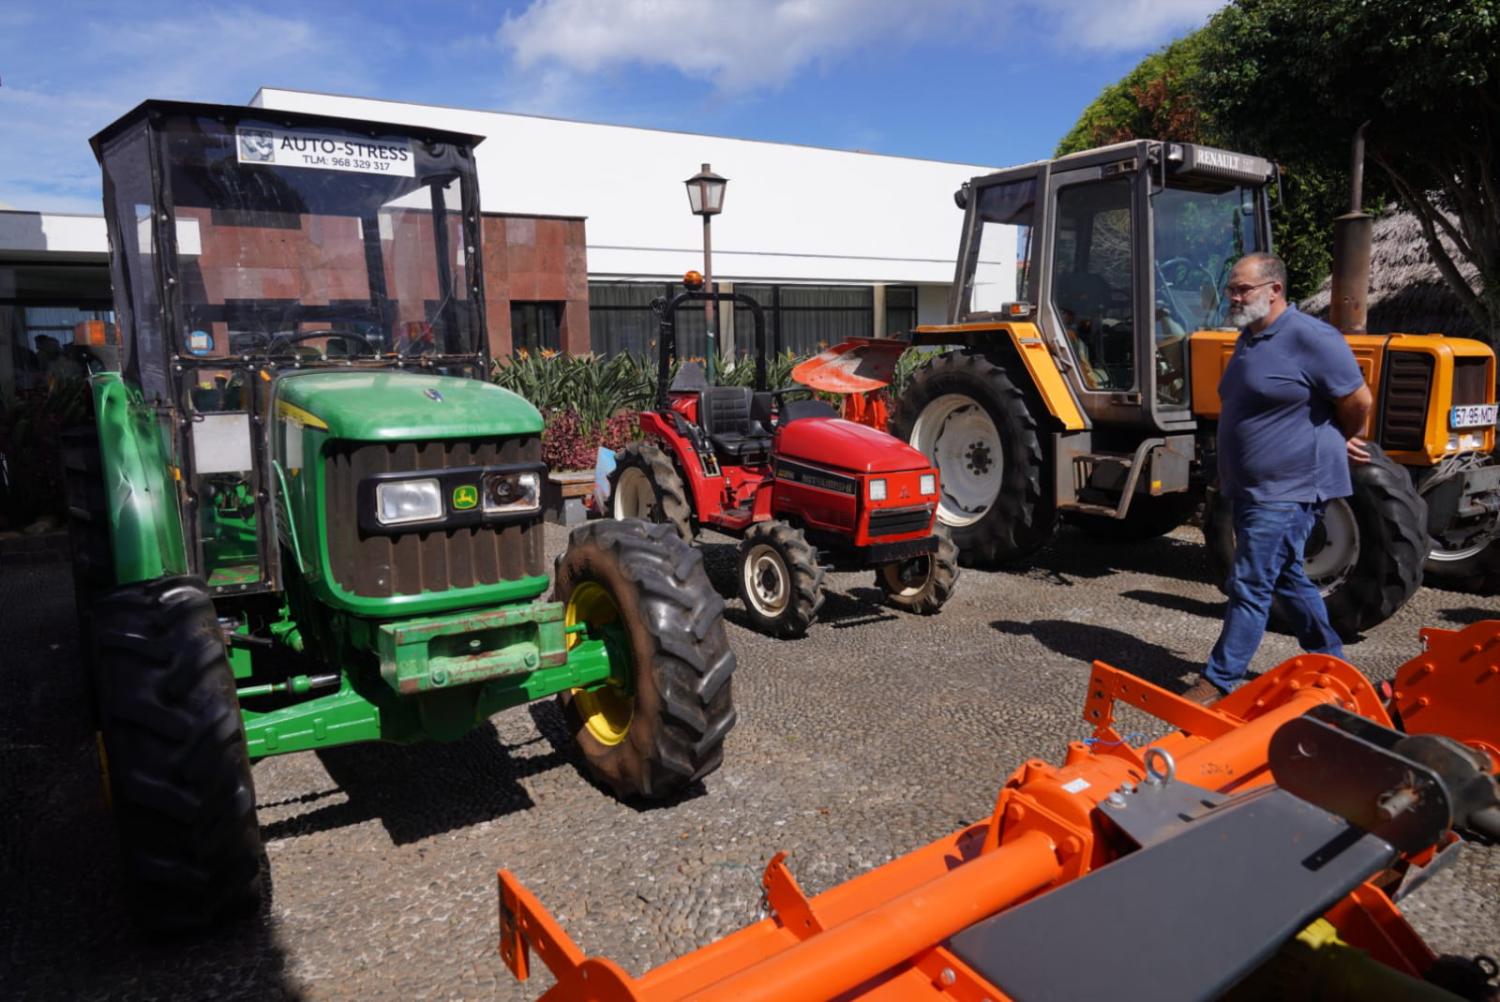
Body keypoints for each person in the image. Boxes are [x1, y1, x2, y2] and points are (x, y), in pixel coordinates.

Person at [1182, 252, 1372, 704]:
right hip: (1252, 487)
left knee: (1249, 581)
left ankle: (1218, 681)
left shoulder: (1311, 337)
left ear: (1275, 290)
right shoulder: (1250, 337)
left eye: (1242, 288)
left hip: (1291, 488)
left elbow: (1358, 399)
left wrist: (1335, 435)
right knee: (1287, 575)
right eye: (1231, 287)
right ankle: (1331, 661)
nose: (1233, 296)